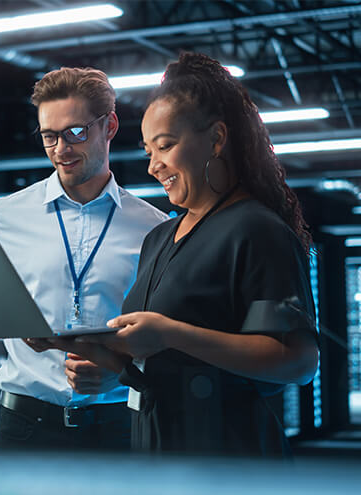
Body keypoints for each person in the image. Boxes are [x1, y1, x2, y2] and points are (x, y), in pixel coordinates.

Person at [59, 52, 320, 457]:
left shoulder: (256, 229)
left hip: (229, 458)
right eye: (148, 151)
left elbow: (297, 361)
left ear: (216, 139)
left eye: (165, 146)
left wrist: (169, 332)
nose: (153, 166)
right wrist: (109, 367)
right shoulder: (160, 237)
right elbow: (163, 363)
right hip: (157, 452)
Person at [0, 66, 167, 454]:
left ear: (109, 126)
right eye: (49, 136)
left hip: (119, 432)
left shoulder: (155, 228)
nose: (61, 149)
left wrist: (119, 373)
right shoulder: (2, 218)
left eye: (75, 132)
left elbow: (166, 343)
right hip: (24, 431)